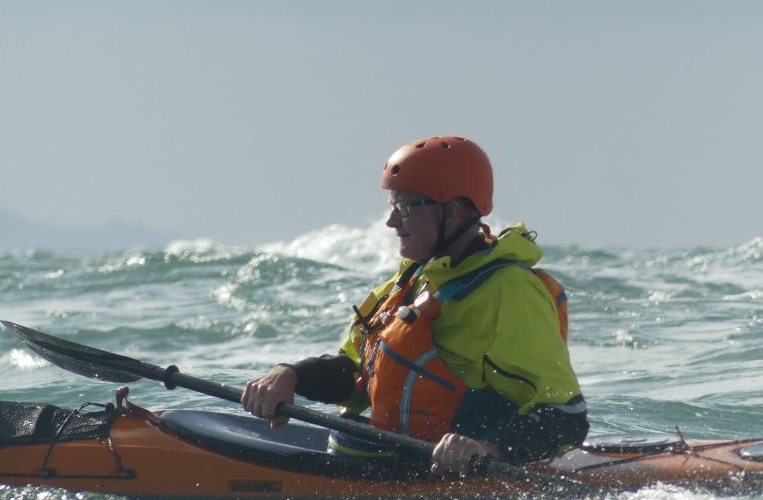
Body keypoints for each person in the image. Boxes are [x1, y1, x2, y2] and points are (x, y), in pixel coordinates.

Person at [240, 135, 588, 474]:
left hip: (472, 469)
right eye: (392, 209)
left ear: (453, 210)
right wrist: (292, 375)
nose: (391, 223)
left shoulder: (511, 292)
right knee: (347, 436)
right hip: (401, 455)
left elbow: (566, 414)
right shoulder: (415, 277)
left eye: (405, 208)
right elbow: (358, 372)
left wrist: (487, 449)